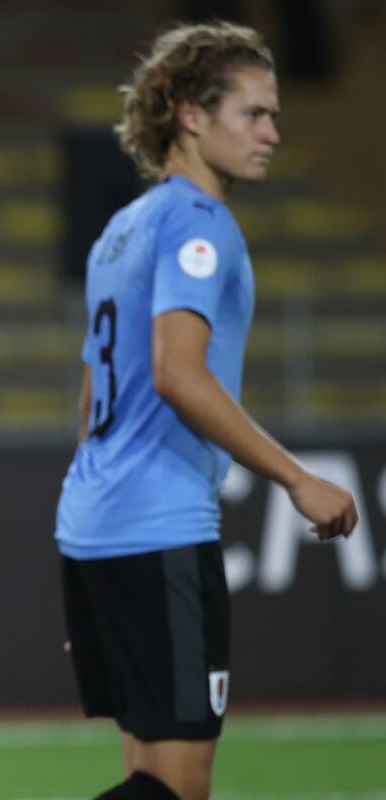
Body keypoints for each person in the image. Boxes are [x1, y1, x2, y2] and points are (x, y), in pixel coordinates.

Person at [54, 22, 359, 800]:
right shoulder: (199, 222)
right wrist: (297, 479)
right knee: (180, 789)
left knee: (148, 775)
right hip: (157, 524)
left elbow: (92, 399)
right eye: (253, 113)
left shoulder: (121, 229)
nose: (273, 133)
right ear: (192, 114)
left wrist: (100, 578)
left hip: (98, 525)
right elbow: (177, 376)